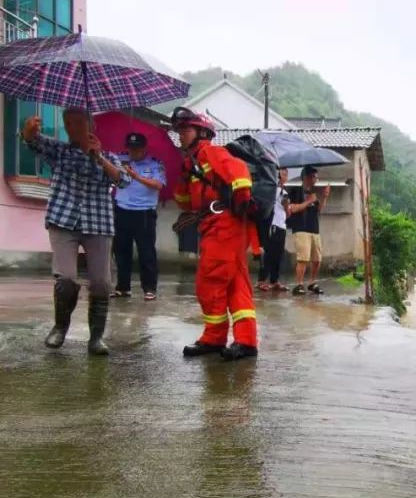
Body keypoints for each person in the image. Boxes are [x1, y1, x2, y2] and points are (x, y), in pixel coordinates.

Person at [21, 107, 131, 356]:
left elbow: (122, 180)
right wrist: (27, 132)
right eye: (67, 123)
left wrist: (99, 157)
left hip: (98, 223)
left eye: (78, 123)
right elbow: (34, 144)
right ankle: (61, 326)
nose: (72, 128)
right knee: (66, 278)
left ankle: (96, 337)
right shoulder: (60, 151)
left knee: (102, 283)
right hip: (63, 220)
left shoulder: (108, 156)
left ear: (90, 125)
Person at [171, 107, 259, 361]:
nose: (181, 136)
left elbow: (239, 170)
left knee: (209, 282)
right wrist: (183, 177)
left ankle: (214, 337)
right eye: (179, 131)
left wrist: (242, 197)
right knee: (235, 284)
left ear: (202, 132)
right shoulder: (192, 164)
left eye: (185, 130)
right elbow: (185, 203)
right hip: (214, 226)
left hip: (224, 227)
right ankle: (246, 341)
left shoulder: (211, 152)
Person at [112, 131, 166, 300]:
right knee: (121, 251)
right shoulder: (119, 160)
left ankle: (149, 288)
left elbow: (158, 184)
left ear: (144, 148)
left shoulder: (155, 164)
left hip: (144, 212)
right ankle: (123, 287)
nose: (133, 152)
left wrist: (136, 176)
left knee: (146, 252)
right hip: (121, 209)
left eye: (137, 149)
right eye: (130, 149)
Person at [287, 165, 328, 295]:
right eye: (314, 177)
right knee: (303, 258)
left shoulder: (313, 193)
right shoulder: (295, 191)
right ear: (306, 177)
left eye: (316, 177)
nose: (316, 179)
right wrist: (307, 202)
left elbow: (319, 210)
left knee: (317, 259)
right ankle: (299, 284)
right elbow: (291, 208)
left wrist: (325, 197)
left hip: (314, 228)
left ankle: (312, 282)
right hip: (301, 228)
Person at [256, 168, 291, 292]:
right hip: (273, 225)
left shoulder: (284, 192)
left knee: (278, 255)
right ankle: (261, 280)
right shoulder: (273, 191)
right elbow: (286, 209)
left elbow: (288, 212)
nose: (284, 176)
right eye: (282, 173)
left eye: (286, 174)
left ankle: (274, 281)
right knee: (269, 254)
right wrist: (287, 207)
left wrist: (287, 208)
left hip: (282, 225)